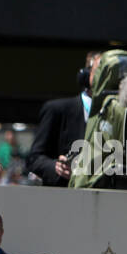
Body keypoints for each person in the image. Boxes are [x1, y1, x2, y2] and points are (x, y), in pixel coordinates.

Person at [26, 51, 99, 187]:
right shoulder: (57, 110)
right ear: (86, 76)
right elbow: (33, 159)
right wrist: (55, 166)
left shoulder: (122, 113)